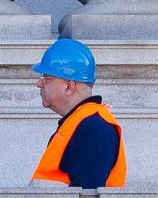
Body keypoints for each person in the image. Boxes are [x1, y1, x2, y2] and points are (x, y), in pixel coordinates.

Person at [28, 38, 126, 190]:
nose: (39, 84)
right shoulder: (82, 124)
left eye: (46, 78)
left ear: (69, 87)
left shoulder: (93, 129)